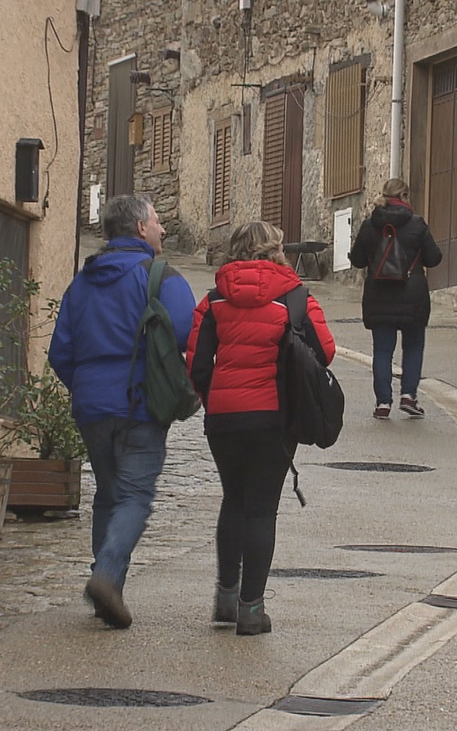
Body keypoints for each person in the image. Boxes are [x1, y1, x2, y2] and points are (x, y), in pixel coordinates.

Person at [49, 194, 196, 629]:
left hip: (93, 406)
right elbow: (187, 330)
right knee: (135, 495)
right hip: (141, 403)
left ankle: (105, 591)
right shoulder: (160, 277)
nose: (163, 230)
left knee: (109, 495)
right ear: (139, 229)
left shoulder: (83, 282)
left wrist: (89, 386)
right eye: (157, 221)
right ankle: (107, 577)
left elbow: (61, 351)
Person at [186, 222, 336, 636]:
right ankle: (251, 608)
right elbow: (325, 352)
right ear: (277, 250)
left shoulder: (214, 298)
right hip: (274, 417)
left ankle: (224, 596)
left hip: (225, 417)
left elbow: (197, 362)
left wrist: (213, 397)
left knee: (233, 499)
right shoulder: (296, 297)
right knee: (261, 509)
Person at [348, 178, 443, 420]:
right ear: (405, 196)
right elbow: (433, 258)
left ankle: (383, 402)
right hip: (413, 296)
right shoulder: (417, 224)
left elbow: (358, 260)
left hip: (378, 295)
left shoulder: (370, 225)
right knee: (412, 347)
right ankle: (409, 396)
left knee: (382, 350)